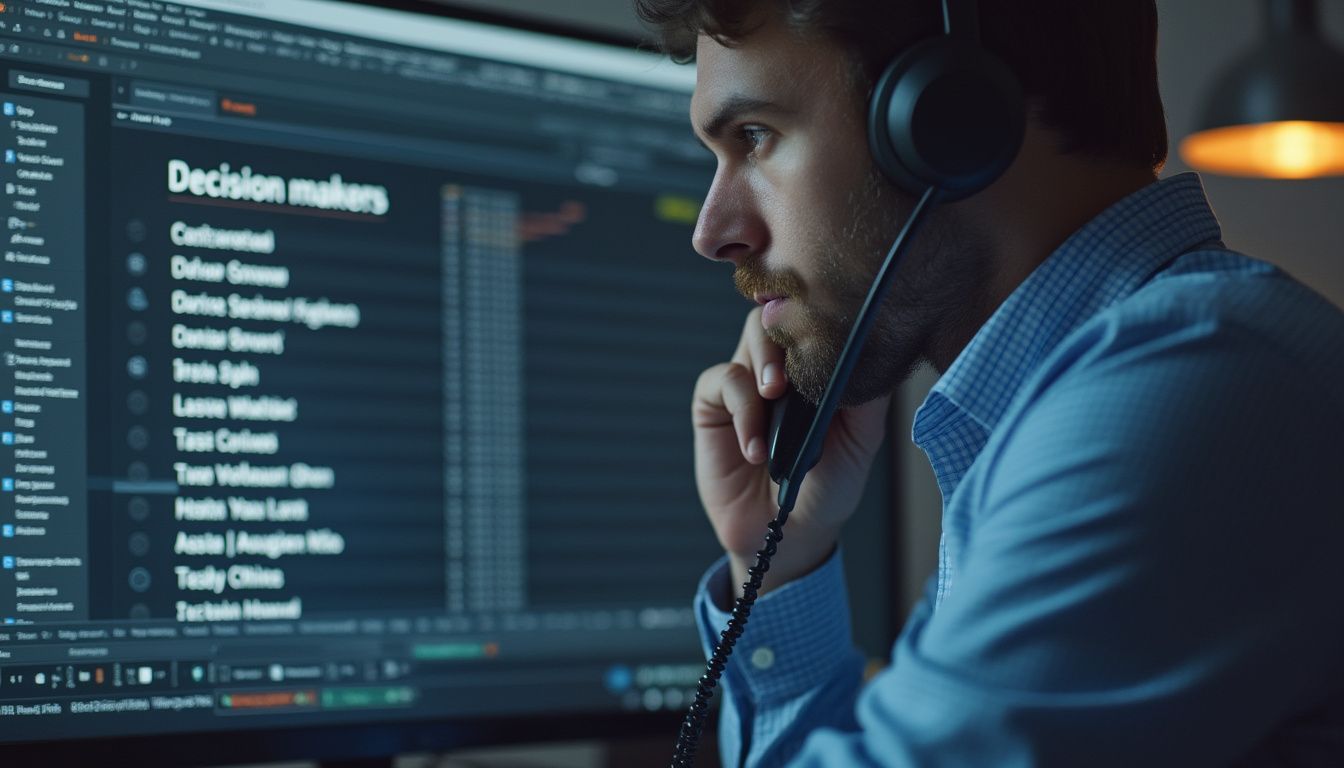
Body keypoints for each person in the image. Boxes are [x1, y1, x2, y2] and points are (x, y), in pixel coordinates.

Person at [635, 0, 1344, 765]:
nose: (712, 232)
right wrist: (780, 556)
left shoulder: (1196, 384)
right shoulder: (1048, 410)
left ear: (944, 119)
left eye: (756, 136)